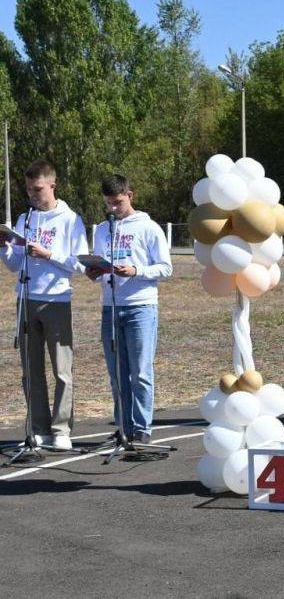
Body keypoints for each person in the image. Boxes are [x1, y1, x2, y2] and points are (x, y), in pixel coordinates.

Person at [0, 160, 88, 450]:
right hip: (26, 298)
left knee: (62, 369)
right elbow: (15, 265)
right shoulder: (26, 218)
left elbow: (80, 263)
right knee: (31, 369)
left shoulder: (69, 219)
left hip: (57, 299)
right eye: (27, 189)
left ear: (52, 185)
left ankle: (61, 429)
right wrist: (5, 247)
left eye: (37, 189)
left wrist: (49, 254)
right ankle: (38, 427)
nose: (32, 195)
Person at [86, 175, 173, 444]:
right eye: (109, 203)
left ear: (130, 195)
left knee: (140, 371)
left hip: (140, 307)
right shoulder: (102, 229)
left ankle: (142, 428)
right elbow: (100, 267)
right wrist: (95, 272)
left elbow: (165, 267)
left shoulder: (148, 227)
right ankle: (123, 426)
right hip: (111, 307)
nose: (113, 209)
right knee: (117, 373)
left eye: (118, 202)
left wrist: (136, 270)